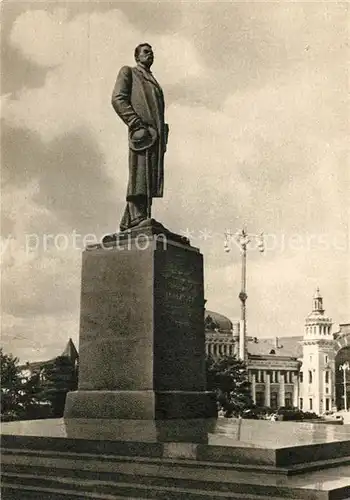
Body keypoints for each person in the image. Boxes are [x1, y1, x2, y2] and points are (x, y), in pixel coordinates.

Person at [111, 43, 169, 231]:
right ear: (137, 56)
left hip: (155, 137)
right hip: (142, 134)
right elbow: (118, 98)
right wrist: (135, 122)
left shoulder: (153, 81)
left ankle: (132, 218)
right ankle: (136, 217)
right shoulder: (129, 72)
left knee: (149, 176)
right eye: (145, 51)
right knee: (140, 174)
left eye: (152, 51)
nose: (150, 54)